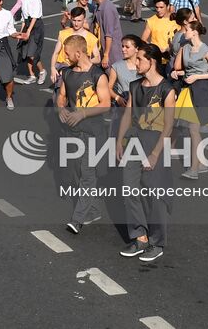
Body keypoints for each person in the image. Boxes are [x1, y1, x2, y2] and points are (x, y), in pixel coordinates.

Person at [115, 41, 174, 263]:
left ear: (152, 62)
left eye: (139, 59)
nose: (135, 62)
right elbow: (128, 115)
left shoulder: (166, 89)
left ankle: (157, 242)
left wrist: (155, 154)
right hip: (135, 141)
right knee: (129, 188)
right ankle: (140, 237)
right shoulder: (134, 86)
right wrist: (119, 140)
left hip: (155, 143)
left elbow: (168, 126)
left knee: (155, 195)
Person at [56, 32, 113, 235]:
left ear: (79, 53)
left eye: (68, 53)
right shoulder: (67, 74)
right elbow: (61, 96)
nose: (65, 57)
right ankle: (95, 209)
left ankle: (77, 219)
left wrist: (83, 113)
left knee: (87, 174)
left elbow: (105, 104)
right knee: (76, 172)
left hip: (93, 132)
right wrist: (61, 109)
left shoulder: (98, 75)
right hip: (73, 131)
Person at [170, 18, 208, 180]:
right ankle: (200, 164)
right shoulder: (185, 48)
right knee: (180, 125)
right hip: (186, 90)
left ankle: (194, 169)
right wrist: (177, 72)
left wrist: (198, 76)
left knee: (193, 129)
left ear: (194, 32)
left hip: (199, 91)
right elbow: (178, 68)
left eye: (186, 29)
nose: (184, 31)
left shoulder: (206, 50)